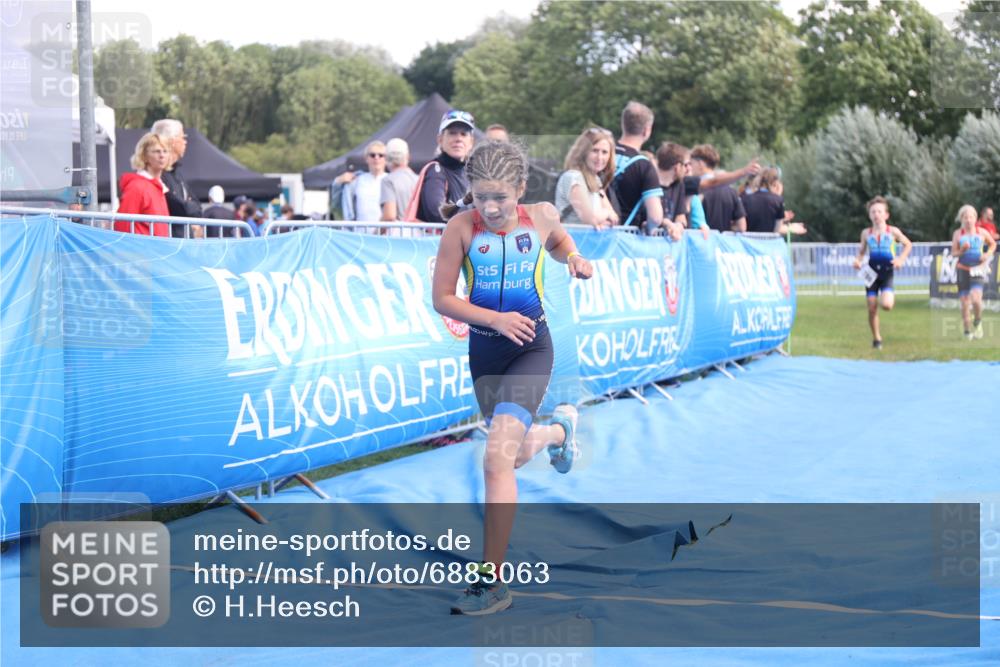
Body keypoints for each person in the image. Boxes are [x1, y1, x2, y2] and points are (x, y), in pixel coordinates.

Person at [431, 140, 594, 615]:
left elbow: (562, 242)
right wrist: (493, 319)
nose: (492, 207)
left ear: (520, 189)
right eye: (482, 196)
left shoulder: (541, 215)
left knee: (495, 461)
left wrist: (576, 259)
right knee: (516, 454)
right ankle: (559, 429)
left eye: (501, 196)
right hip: (486, 354)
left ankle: (492, 582)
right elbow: (442, 298)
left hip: (531, 350)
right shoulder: (460, 228)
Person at [608, 101, 681, 239]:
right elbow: (655, 216)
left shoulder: (603, 154)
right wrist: (649, 228)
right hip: (624, 239)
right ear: (647, 130)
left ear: (623, 124)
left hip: (593, 235)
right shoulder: (644, 166)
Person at [851, 196, 913, 349]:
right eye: (873, 212)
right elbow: (861, 252)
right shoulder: (866, 233)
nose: (876, 214)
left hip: (887, 272)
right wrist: (858, 261)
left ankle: (884, 296)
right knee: (871, 308)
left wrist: (900, 260)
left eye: (879, 211)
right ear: (870, 215)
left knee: (886, 305)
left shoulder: (893, 231)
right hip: (871, 273)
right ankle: (877, 338)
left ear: (886, 215)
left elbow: (908, 245)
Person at [415, 109, 475, 223]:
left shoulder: (471, 173)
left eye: (464, 134)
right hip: (438, 239)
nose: (458, 139)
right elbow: (438, 213)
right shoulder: (436, 170)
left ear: (471, 142)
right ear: (440, 139)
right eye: (452, 133)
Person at [554, 127, 618, 229]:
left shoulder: (595, 179)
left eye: (604, 152)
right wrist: (606, 214)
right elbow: (590, 219)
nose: (599, 157)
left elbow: (614, 218)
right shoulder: (573, 177)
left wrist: (603, 219)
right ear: (583, 152)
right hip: (572, 242)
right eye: (594, 150)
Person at [151, 119, 204, 238]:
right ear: (172, 141)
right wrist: (187, 205)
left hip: (182, 242)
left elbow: (198, 208)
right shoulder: (159, 174)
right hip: (169, 243)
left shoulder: (177, 174)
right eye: (183, 137)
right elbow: (179, 209)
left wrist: (187, 205)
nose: (185, 142)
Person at [952, 204, 996, 340]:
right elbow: (954, 253)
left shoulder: (982, 232)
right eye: (965, 217)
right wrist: (962, 251)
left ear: (975, 218)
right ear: (961, 219)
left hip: (978, 269)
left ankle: (977, 321)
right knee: (965, 302)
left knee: (976, 299)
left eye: (971, 217)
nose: (968, 220)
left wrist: (987, 254)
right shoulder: (958, 234)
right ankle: (967, 331)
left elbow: (993, 244)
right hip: (963, 269)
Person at [115, 132, 171, 237]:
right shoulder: (137, 186)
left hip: (157, 249)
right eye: (156, 151)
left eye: (165, 151)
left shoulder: (158, 186)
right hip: (141, 250)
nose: (162, 155)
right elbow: (123, 225)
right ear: (144, 156)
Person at [690, 144, 747, 233]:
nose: (689, 167)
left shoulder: (693, 189)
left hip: (699, 241)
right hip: (723, 244)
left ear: (700, 164)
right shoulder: (731, 192)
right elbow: (741, 227)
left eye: (691, 163)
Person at [333, 140, 388, 223]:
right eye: (372, 155)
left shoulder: (391, 180)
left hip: (385, 233)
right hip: (360, 232)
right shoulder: (357, 180)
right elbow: (336, 203)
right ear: (366, 158)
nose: (376, 158)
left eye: (381, 155)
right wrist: (338, 181)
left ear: (386, 159)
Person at [741, 167, 807, 235]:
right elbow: (776, 230)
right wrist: (792, 228)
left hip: (747, 243)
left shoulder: (745, 199)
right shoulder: (778, 201)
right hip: (768, 244)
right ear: (775, 182)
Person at [380, 138, 419, 224]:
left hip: (398, 235)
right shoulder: (419, 179)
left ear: (386, 158)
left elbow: (389, 216)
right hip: (420, 234)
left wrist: (374, 234)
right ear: (408, 156)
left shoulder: (388, 180)